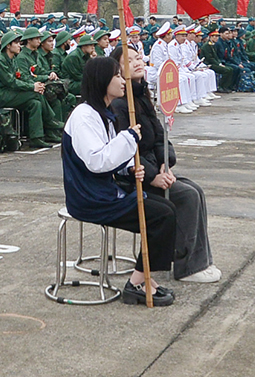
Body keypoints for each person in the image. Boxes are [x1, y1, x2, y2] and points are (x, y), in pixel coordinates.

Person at [61, 56, 176, 307]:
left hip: (105, 190)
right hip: (90, 197)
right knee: (161, 216)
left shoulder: (104, 113)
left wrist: (129, 170)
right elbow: (97, 161)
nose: (122, 80)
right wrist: (128, 138)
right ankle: (136, 282)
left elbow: (112, 157)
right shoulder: (84, 116)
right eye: (116, 76)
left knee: (165, 209)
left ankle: (145, 277)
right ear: (102, 81)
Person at [108, 44, 217, 283]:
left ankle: (200, 260)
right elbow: (127, 152)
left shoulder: (143, 95)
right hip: (133, 178)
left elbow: (160, 137)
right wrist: (151, 176)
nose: (138, 62)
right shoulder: (119, 104)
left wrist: (166, 165)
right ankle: (187, 266)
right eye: (131, 60)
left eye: (139, 58)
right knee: (186, 196)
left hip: (156, 169)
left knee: (195, 191)